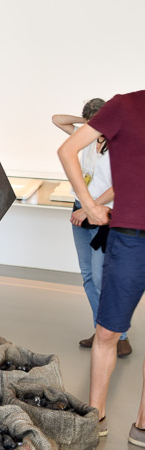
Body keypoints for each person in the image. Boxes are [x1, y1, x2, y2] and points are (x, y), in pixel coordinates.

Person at [57, 89, 145, 445]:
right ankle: (97, 418)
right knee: (107, 333)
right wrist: (90, 205)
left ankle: (143, 425)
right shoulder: (125, 105)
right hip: (130, 238)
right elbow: (67, 149)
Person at [52, 100, 131, 357]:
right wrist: (87, 122)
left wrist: (88, 208)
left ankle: (120, 336)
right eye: (89, 123)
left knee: (101, 278)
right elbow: (57, 119)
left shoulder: (119, 144)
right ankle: (101, 331)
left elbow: (120, 185)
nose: (92, 127)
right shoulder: (85, 137)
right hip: (80, 211)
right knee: (87, 276)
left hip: (103, 214)